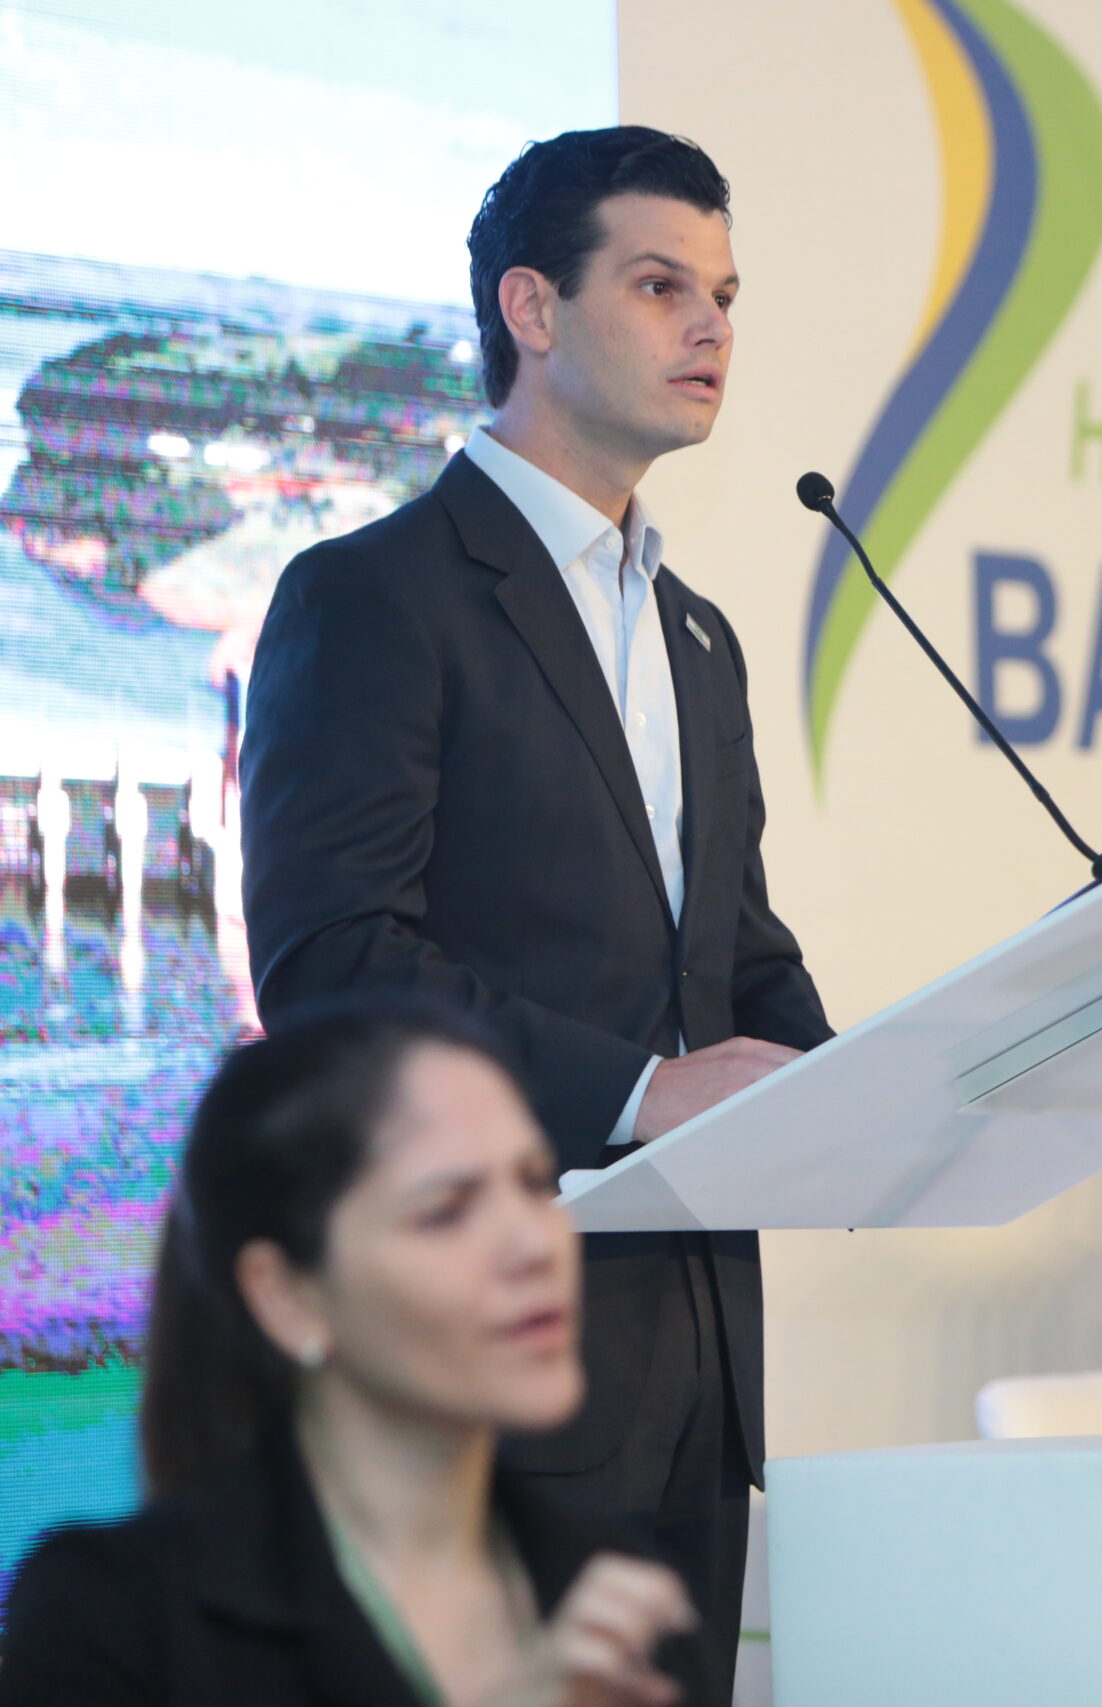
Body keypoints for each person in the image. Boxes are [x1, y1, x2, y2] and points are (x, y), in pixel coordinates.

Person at [239, 127, 831, 1696]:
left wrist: (883, 1093)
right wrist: (639, 1089)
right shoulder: (375, 594)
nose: (710, 327)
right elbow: (333, 964)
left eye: (724, 295)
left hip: (695, 1374)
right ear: (533, 308)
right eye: (661, 285)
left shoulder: (698, 637)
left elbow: (737, 956)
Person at [0, 1000, 706, 1706]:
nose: (534, 1244)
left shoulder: (618, 1600)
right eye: (447, 1210)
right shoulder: (111, 1616)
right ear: (285, 1295)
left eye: (533, 1183)